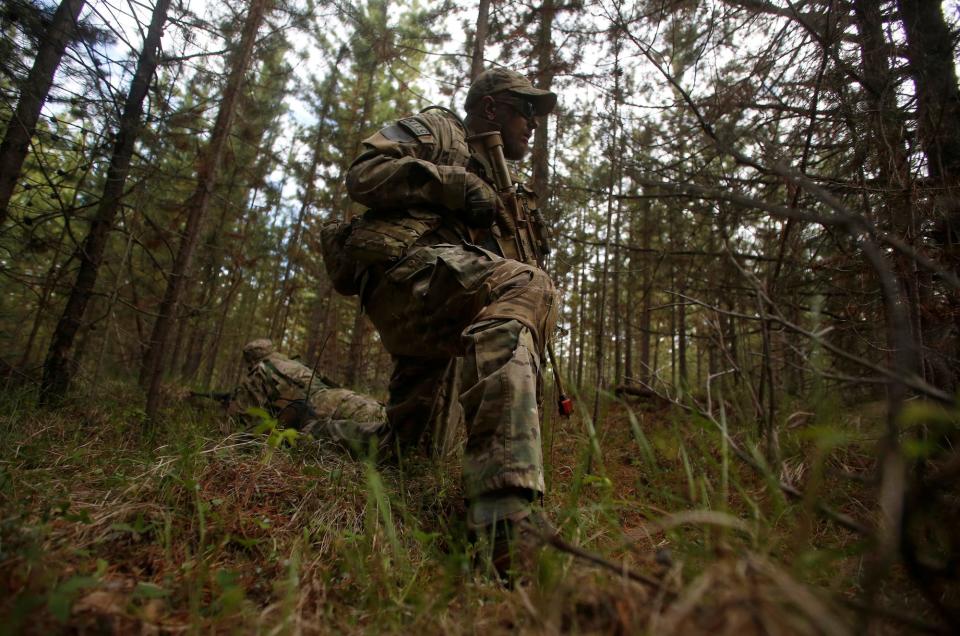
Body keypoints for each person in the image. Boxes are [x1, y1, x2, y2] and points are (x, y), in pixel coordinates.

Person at [325, 67, 560, 576]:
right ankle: (505, 516)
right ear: (493, 108)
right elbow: (363, 174)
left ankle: (293, 398)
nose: (534, 124)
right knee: (528, 285)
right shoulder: (439, 131)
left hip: (444, 305)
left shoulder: (509, 190)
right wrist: (455, 185)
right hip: (409, 276)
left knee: (405, 455)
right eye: (527, 110)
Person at [227, 338, 388, 453]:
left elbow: (245, 419)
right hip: (342, 396)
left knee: (373, 442)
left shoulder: (260, 370)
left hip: (319, 406)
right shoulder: (292, 362)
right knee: (384, 425)